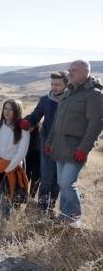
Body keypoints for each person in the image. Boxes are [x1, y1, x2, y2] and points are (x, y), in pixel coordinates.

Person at [46, 59, 103, 225]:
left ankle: (75, 218)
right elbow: (57, 120)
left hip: (76, 148)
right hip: (59, 146)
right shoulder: (68, 92)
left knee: (66, 182)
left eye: (74, 70)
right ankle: (65, 216)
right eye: (69, 70)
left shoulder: (94, 94)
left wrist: (84, 148)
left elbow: (96, 124)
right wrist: (50, 141)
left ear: (86, 72)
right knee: (61, 183)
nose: (70, 73)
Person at [20, 70, 68, 214]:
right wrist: (27, 121)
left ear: (66, 84)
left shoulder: (71, 99)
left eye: (58, 84)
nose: (54, 87)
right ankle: (41, 211)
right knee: (46, 178)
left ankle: (51, 209)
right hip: (46, 143)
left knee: (58, 181)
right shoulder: (45, 100)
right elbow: (36, 116)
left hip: (66, 146)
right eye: (52, 84)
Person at [0, 100, 30, 218]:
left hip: (12, 168)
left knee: (8, 201)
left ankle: (5, 226)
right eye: (5, 108)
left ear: (17, 111)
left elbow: (22, 152)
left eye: (10, 109)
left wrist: (8, 169)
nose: (7, 111)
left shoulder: (22, 129)